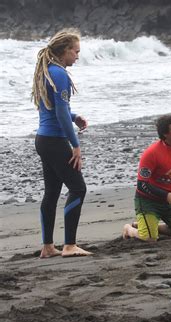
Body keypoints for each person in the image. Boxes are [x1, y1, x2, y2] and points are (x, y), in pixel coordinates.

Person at [32, 28, 92, 258]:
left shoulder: (46, 72)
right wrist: (75, 144)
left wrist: (74, 115)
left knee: (52, 192)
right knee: (78, 188)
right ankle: (69, 245)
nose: (77, 56)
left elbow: (56, 108)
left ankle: (48, 247)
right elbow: (59, 113)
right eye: (75, 51)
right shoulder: (59, 74)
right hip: (55, 141)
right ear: (65, 50)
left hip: (44, 140)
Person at [122, 115, 171, 241]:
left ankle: (146, 225)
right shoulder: (151, 153)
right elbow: (142, 184)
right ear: (165, 134)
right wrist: (165, 195)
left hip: (169, 202)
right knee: (149, 238)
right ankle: (129, 229)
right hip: (148, 202)